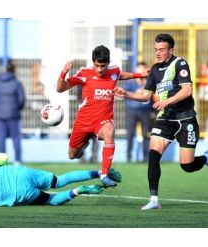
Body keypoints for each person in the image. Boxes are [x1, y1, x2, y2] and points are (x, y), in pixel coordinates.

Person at [114, 33, 208, 210]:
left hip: (186, 119)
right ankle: (154, 199)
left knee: (187, 165)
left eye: (162, 49)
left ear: (171, 50)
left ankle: (207, 158)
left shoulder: (180, 64)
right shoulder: (154, 69)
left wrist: (166, 101)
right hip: (165, 120)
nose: (158, 53)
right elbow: (146, 96)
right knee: (153, 155)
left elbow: (187, 91)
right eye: (156, 49)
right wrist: (127, 94)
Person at [57, 45, 148, 187]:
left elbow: (123, 75)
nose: (99, 69)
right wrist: (63, 73)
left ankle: (104, 174)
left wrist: (141, 75)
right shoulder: (84, 73)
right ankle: (84, 145)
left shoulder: (114, 72)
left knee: (109, 131)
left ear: (109, 63)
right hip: (83, 122)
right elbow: (60, 88)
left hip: (102, 121)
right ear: (93, 62)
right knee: (72, 155)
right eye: (97, 65)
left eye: (103, 66)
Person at [0, 153, 122, 206]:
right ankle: (100, 172)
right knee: (59, 180)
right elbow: (3, 157)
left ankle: (78, 191)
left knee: (50, 200)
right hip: (20, 174)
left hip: (17, 194)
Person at [0, 60, 26, 163]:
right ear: (13, 70)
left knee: (1, 138)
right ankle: (18, 160)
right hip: (13, 115)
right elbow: (22, 100)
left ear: (4, 70)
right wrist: (16, 109)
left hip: (0, 115)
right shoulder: (17, 83)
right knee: (16, 138)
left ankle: (1, 161)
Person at [124, 62, 156, 163]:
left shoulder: (149, 82)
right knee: (130, 134)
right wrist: (136, 93)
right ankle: (128, 157)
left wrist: (153, 110)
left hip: (146, 111)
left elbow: (153, 98)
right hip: (132, 111)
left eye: (143, 69)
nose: (141, 72)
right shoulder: (129, 82)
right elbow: (124, 94)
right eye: (139, 69)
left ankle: (146, 158)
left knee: (146, 135)